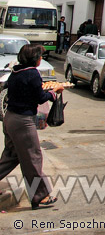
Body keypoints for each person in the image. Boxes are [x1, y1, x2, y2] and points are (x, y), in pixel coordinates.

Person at [0, 44, 63, 209]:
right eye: (39, 57)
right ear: (35, 59)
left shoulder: (15, 72)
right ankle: (40, 196)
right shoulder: (32, 74)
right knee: (33, 159)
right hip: (23, 122)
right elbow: (40, 97)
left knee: (11, 155)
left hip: (10, 118)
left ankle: (39, 194)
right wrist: (54, 91)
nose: (41, 59)